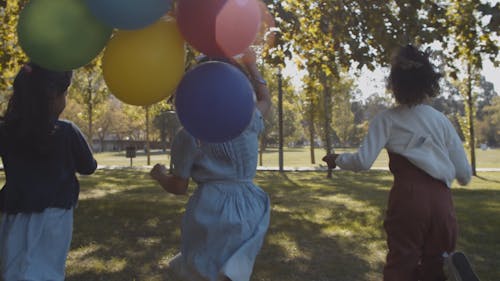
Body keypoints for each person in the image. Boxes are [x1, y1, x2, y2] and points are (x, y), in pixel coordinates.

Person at [322, 45, 475, 281]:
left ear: (395, 85)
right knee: (437, 264)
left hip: (409, 198)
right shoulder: (441, 121)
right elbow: (464, 173)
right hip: (442, 201)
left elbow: (363, 161)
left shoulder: (387, 120)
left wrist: (338, 159)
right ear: (428, 83)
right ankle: (447, 270)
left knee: (402, 263)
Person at [150, 49, 271, 281]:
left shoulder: (188, 135)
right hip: (249, 206)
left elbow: (179, 186)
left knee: (204, 271)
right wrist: (252, 66)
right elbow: (266, 99)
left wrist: (160, 175)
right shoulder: (249, 119)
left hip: (211, 211)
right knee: (232, 273)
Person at [0, 63, 97, 281]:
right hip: (55, 215)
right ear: (53, 96)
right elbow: (88, 166)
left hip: (14, 211)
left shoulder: (6, 130)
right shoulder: (66, 132)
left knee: (14, 268)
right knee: (48, 269)